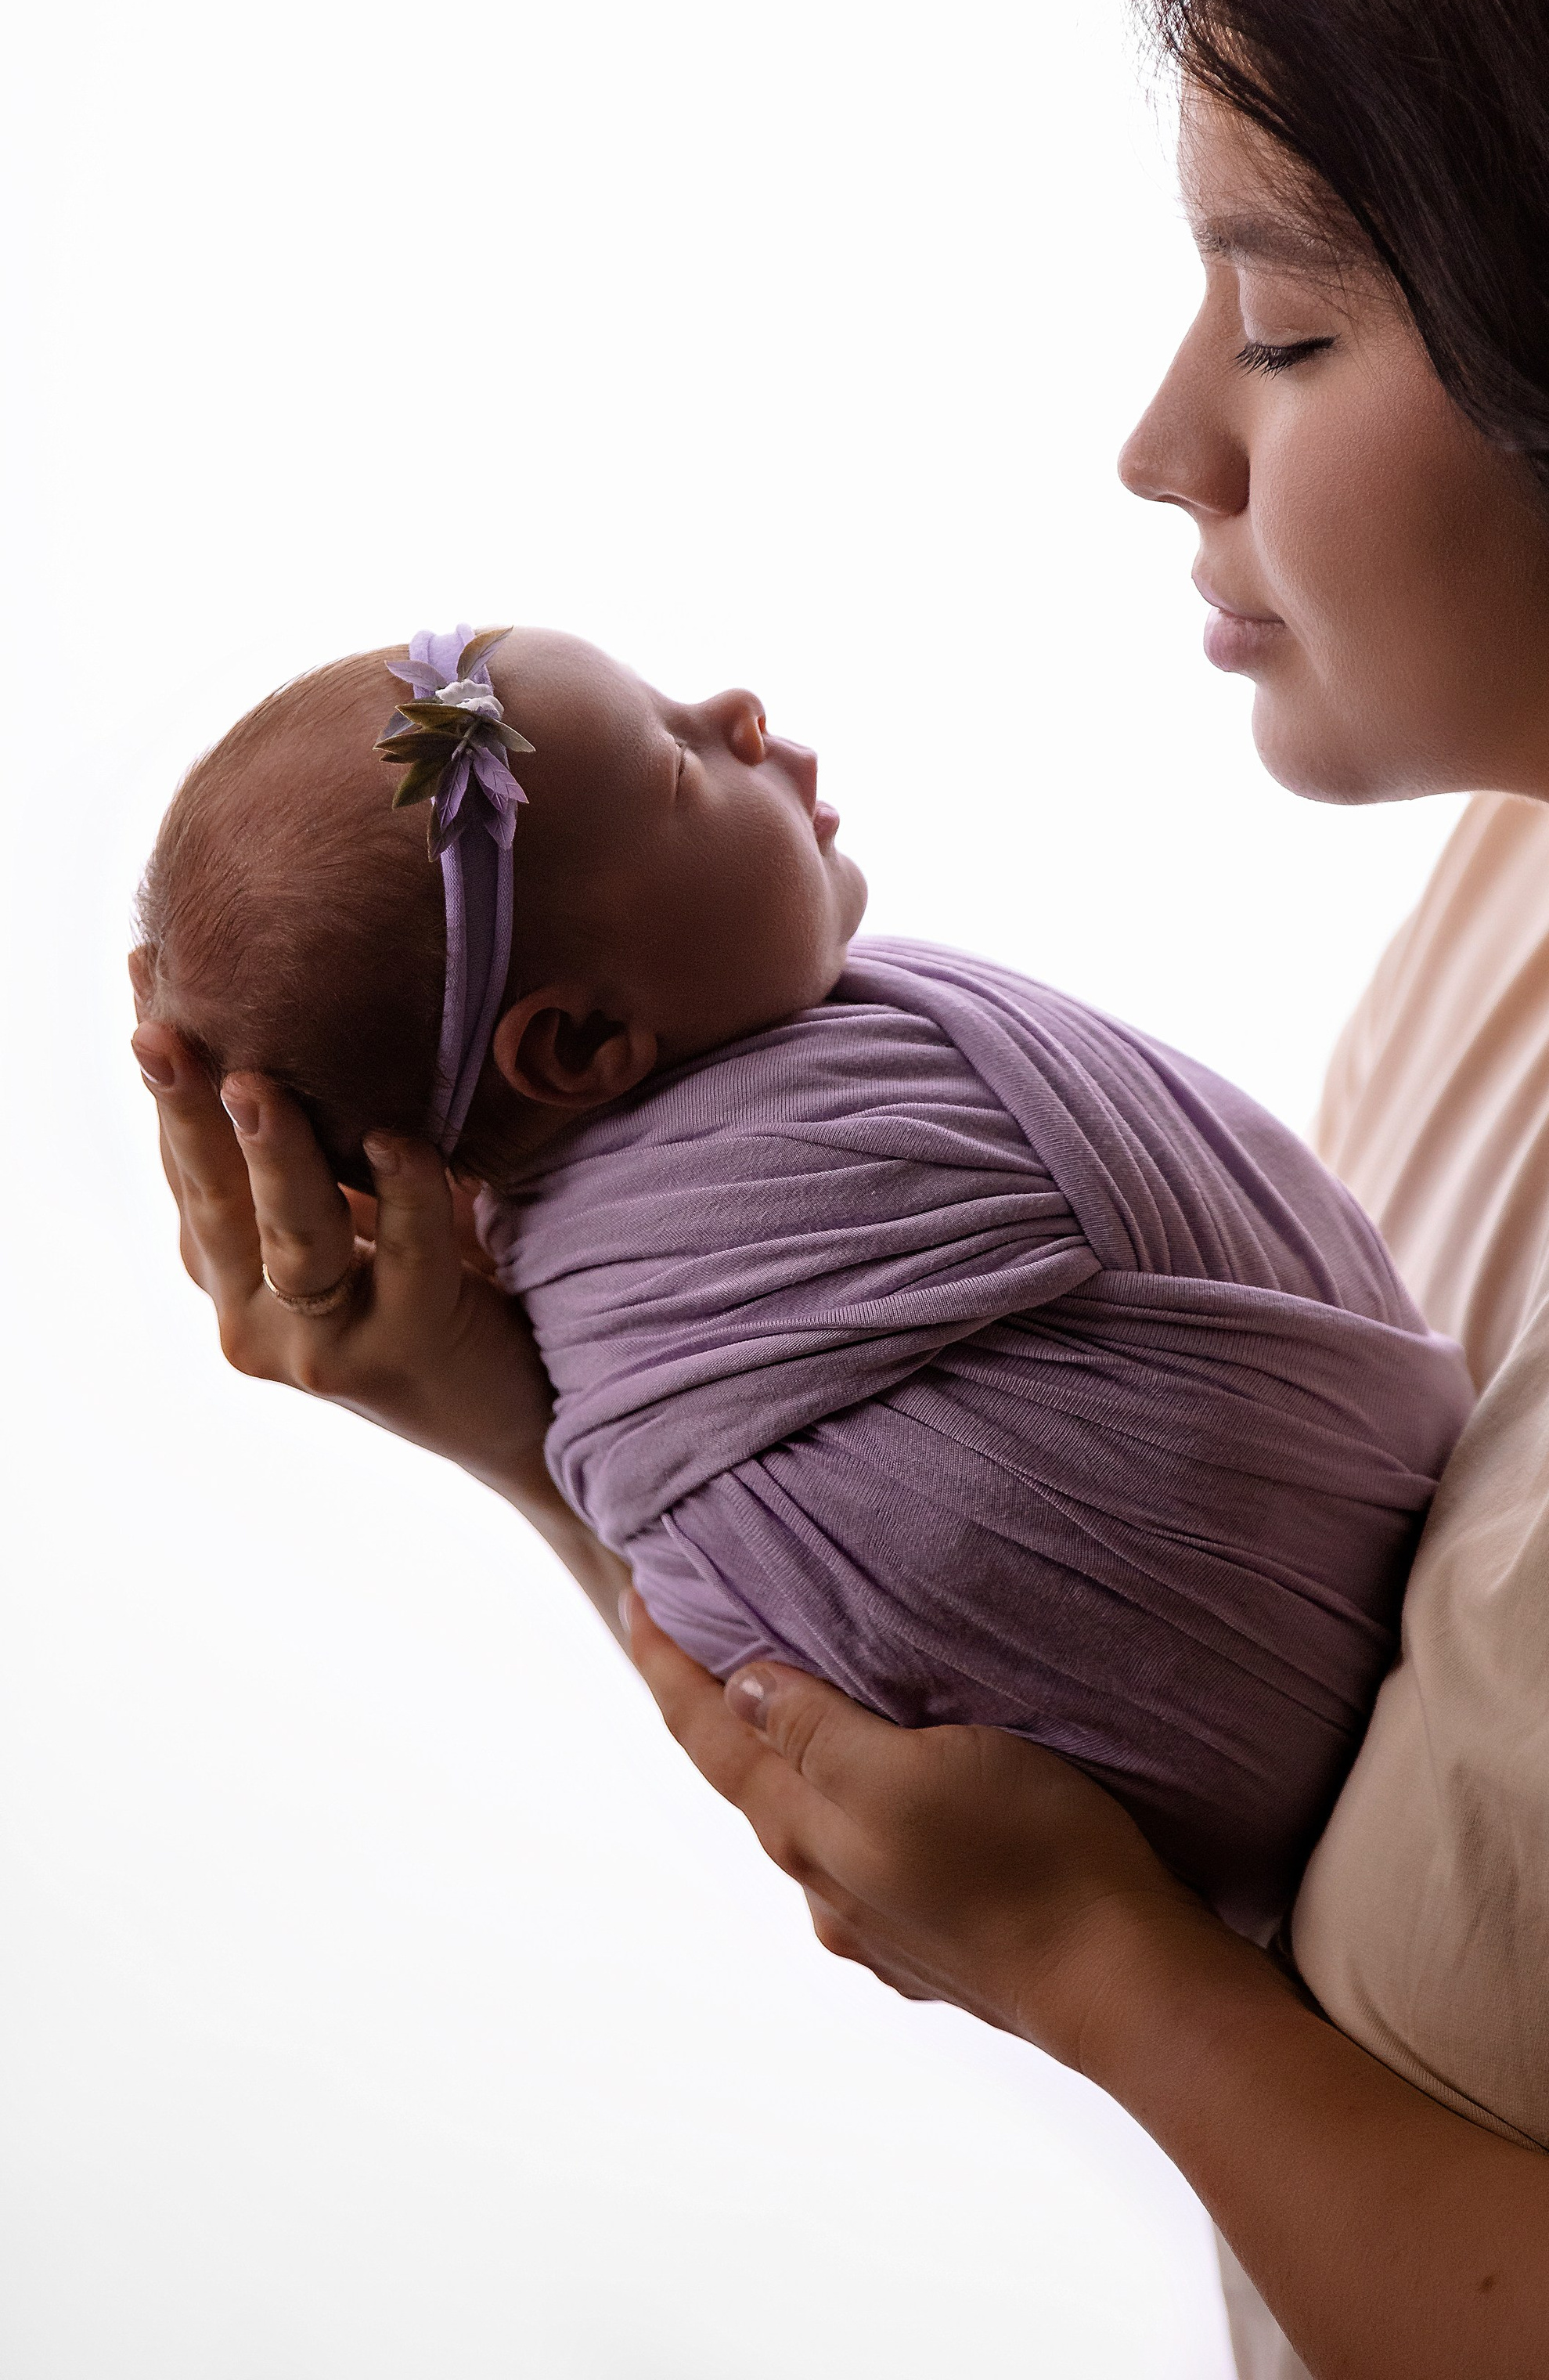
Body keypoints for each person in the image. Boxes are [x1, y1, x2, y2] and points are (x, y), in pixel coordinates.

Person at [134, 0, 1549, 2379]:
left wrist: (1100, 1982)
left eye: (1286, 322)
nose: (1162, 442)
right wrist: (535, 1435)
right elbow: (1155, 1682)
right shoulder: (1528, 913)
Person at [131, 623, 1468, 1938]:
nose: (737, 711)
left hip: (1259, 1866)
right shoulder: (844, 1132)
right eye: (675, 764)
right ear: (585, 1039)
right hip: (1352, 1692)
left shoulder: (615, 1354)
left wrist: (528, 1445)